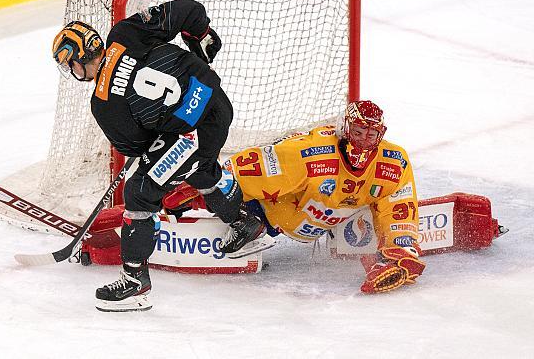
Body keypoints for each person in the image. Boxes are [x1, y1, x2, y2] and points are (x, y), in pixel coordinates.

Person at [51, 0, 271, 312]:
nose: (69, 70)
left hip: (192, 132)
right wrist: (202, 37)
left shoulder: (102, 102)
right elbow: (188, 11)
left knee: (140, 191)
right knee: (194, 166)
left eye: (66, 64)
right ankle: (243, 223)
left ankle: (134, 281)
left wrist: (154, 149)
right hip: (217, 102)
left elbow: (138, 147)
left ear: (76, 57)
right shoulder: (125, 32)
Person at [164, 100, 426, 294]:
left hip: (333, 221)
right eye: (358, 132)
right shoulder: (310, 153)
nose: (363, 142)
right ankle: (247, 221)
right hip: (275, 212)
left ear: (381, 135)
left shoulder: (393, 162)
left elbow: (399, 205)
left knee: (373, 217)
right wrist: (204, 187)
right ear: (345, 129)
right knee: (220, 198)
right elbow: (250, 168)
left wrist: (401, 248)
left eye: (371, 135)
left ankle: (376, 260)